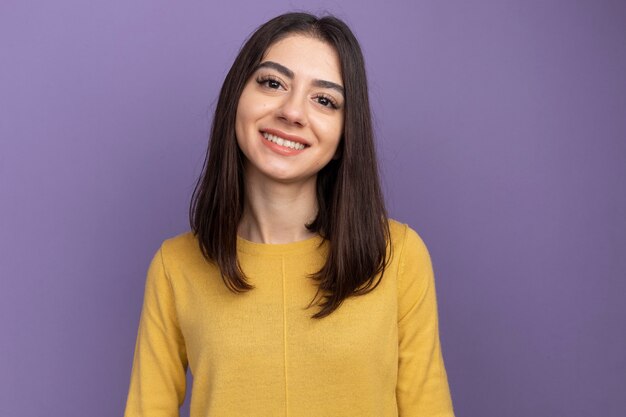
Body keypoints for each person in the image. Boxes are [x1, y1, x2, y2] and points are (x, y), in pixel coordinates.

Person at [124, 12, 454, 417]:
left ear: (344, 135)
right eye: (272, 82)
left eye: (325, 100)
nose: (293, 112)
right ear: (236, 98)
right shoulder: (174, 266)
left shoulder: (399, 256)